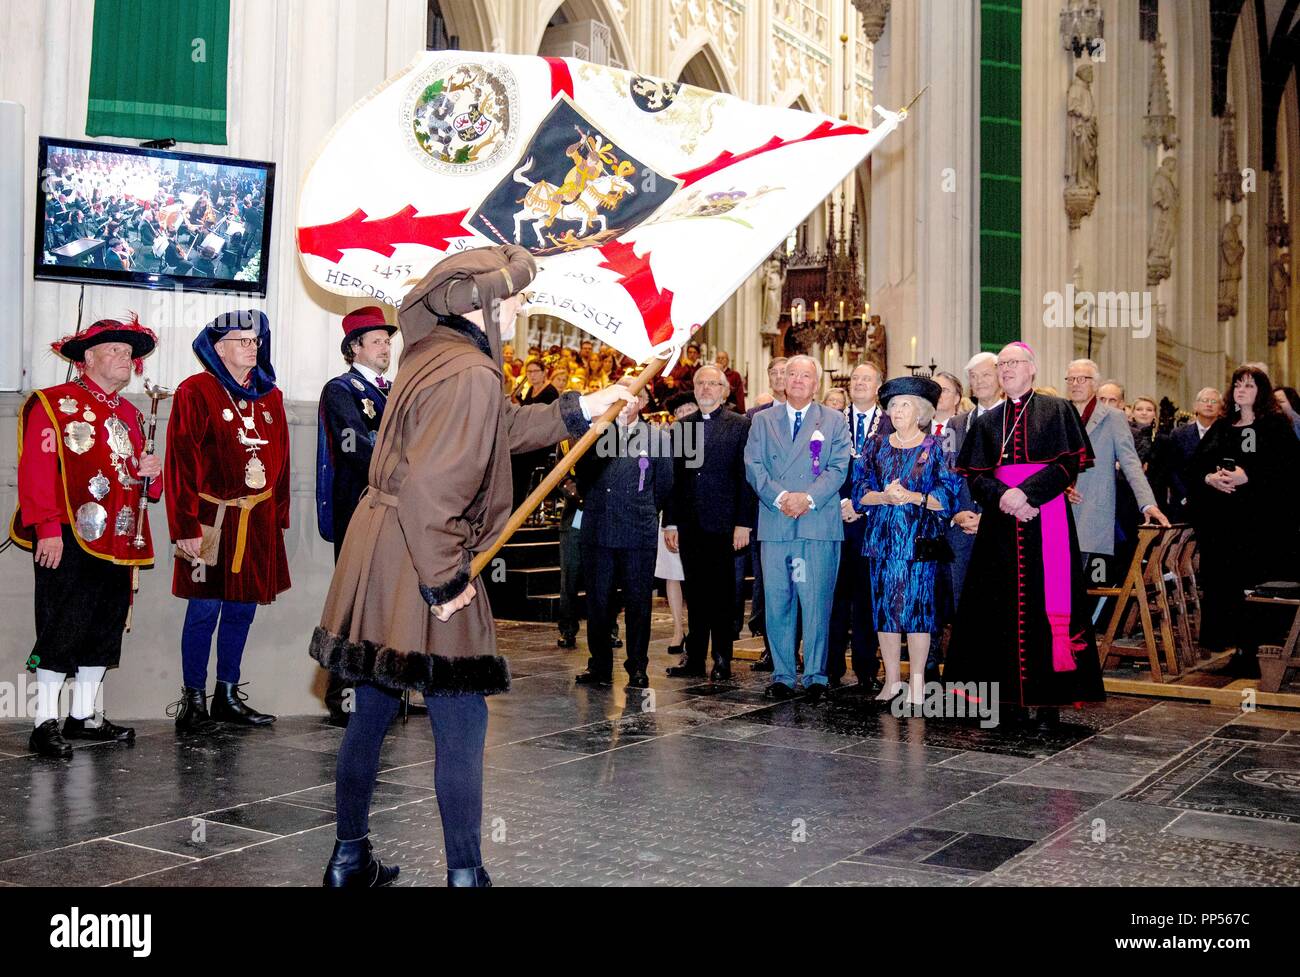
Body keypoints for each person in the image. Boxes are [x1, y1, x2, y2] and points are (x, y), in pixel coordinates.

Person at [310, 245, 635, 887]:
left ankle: (349, 860)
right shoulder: (471, 374)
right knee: (461, 714)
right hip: (420, 549)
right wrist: (445, 583)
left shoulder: (436, 355)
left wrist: (583, 407)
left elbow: (500, 429)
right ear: (478, 305)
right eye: (512, 296)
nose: (520, 306)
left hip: (380, 544)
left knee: (373, 701)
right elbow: (434, 488)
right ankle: (465, 875)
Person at [10, 316, 162, 758]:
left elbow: (135, 483)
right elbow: (36, 474)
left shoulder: (131, 415)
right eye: (114, 350)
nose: (125, 357)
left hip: (118, 538)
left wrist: (150, 476)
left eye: (128, 352)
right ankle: (44, 723)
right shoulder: (52, 404)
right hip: (68, 536)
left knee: (104, 627)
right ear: (87, 359)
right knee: (62, 625)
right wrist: (47, 529)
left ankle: (84, 715)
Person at [943, 342, 1106, 728]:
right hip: (1001, 523)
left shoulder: (1058, 410)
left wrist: (1027, 494)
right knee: (997, 606)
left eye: (1013, 363)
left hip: (1045, 516)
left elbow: (1068, 465)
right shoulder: (986, 421)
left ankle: (1049, 701)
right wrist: (1005, 497)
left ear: (1032, 369)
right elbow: (976, 477)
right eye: (1001, 365)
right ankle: (1006, 700)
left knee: (1043, 603)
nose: (1006, 370)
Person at [166, 310, 290, 734]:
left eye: (255, 341)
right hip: (210, 523)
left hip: (257, 525)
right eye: (241, 341)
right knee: (203, 610)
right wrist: (184, 525)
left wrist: (278, 520)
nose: (252, 347)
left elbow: (283, 463)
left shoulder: (270, 396)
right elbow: (180, 463)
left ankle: (228, 695)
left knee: (242, 610)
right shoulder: (194, 392)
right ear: (218, 349)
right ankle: (193, 700)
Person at [744, 355, 852, 703]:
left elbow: (838, 468)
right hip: (776, 523)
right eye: (792, 374)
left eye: (806, 375)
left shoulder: (834, 420)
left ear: (816, 383)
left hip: (816, 523)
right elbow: (754, 465)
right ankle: (783, 674)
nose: (798, 380)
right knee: (778, 601)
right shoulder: (762, 420)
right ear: (783, 380)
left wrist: (806, 498)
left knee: (816, 601)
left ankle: (817, 675)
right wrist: (780, 498)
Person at [853, 377, 963, 706]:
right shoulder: (875, 446)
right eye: (894, 405)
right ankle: (891, 680)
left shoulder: (937, 447)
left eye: (905, 406)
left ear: (921, 412)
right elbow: (859, 493)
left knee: (918, 614)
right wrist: (885, 496)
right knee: (884, 613)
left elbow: (948, 497)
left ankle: (916, 682)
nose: (897, 411)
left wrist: (914, 497)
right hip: (882, 543)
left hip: (919, 544)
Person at [1189, 366, 1300, 673]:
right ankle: (1238, 648)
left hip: (1264, 526)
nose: (1241, 390)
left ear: (1261, 392)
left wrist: (1247, 476)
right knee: (1226, 587)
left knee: (1257, 586)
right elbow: (1196, 464)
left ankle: (1261, 650)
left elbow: (1289, 472)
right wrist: (1211, 478)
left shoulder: (1276, 426)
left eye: (1249, 386)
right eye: (1238, 385)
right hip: (1224, 525)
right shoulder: (1223, 426)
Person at [315, 306, 396, 727]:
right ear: (355, 348)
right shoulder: (341, 390)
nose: (386, 348)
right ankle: (342, 696)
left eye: (388, 340)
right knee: (354, 601)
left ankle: (387, 693)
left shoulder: (394, 390)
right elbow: (352, 445)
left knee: (390, 601)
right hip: (360, 508)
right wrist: (402, 465)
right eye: (377, 341)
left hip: (395, 510)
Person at [574, 377, 673, 688]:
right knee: (598, 603)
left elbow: (665, 485)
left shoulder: (657, 437)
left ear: (641, 403)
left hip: (637, 531)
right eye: (620, 395)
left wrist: (642, 508)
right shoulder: (594, 433)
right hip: (599, 530)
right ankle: (600, 665)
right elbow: (582, 476)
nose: (625, 401)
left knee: (638, 603)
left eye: (632, 396)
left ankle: (638, 667)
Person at [663, 367, 756, 681]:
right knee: (696, 593)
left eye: (712, 384)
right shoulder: (683, 427)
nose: (705, 388)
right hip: (689, 523)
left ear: (724, 391)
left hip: (724, 524)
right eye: (700, 383)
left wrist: (743, 523)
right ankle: (694, 658)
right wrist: (671, 522)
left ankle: (722, 658)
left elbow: (746, 479)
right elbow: (674, 479)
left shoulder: (740, 425)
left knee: (722, 594)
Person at [1062, 360, 1168, 580]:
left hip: (1092, 511)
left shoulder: (1112, 418)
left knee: (1085, 584)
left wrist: (1147, 503)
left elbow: (1131, 464)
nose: (1075, 384)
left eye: (1082, 379)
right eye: (1071, 379)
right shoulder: (1060, 413)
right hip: (1059, 510)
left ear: (1095, 384)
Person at [829, 361, 892, 690]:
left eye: (867, 379)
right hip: (836, 521)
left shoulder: (891, 424)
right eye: (855, 378)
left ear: (879, 386)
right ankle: (831, 665)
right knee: (835, 596)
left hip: (871, 522)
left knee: (868, 598)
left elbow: (892, 472)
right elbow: (821, 464)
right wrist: (841, 503)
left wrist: (861, 506)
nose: (859, 383)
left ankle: (867, 667)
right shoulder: (833, 421)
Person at [745, 356, 789, 670]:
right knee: (768, 583)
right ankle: (771, 649)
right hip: (767, 510)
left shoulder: (817, 416)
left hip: (804, 510)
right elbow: (749, 466)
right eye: (772, 372)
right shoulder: (754, 416)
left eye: (784, 372)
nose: (778, 377)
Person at [656, 392, 697, 658]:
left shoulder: (706, 436)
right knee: (673, 574)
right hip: (671, 515)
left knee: (695, 577)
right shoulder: (666, 441)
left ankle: (696, 628)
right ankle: (677, 629)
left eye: (689, 410)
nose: (684, 416)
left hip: (698, 516)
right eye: (679, 413)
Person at [1166, 387, 1222, 520]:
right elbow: (1172, 470)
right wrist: (1185, 496)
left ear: (1221, 409)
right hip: (1184, 502)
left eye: (1214, 401)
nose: (1209, 404)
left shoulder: (1226, 434)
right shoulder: (1179, 434)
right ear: (1195, 406)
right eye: (1205, 400)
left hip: (1217, 503)